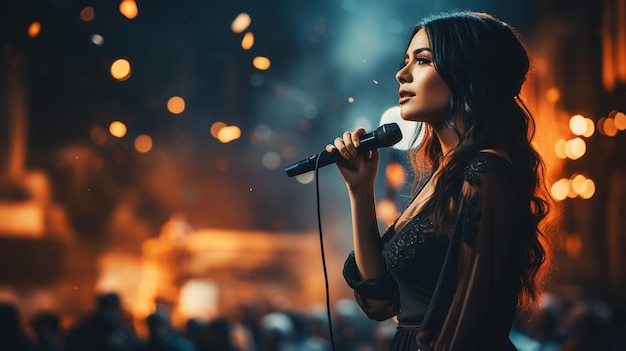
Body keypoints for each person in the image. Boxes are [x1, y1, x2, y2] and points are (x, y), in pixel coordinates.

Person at [326, 10, 554, 351]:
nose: (401, 74)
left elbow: (472, 318)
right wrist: (360, 190)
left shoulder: (485, 174)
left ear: (467, 72)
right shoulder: (445, 174)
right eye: (406, 61)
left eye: (422, 61)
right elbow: (380, 300)